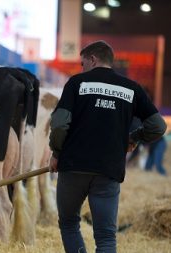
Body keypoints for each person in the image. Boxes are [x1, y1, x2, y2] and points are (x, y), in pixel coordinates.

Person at [48, 40, 166, 253]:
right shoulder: (132, 89)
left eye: (83, 63)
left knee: (68, 223)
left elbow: (59, 124)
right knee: (105, 238)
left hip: (74, 166)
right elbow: (157, 126)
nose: (81, 68)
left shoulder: (77, 83)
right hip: (109, 169)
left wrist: (56, 152)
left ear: (93, 59)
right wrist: (134, 138)